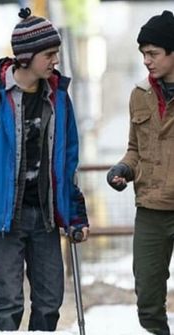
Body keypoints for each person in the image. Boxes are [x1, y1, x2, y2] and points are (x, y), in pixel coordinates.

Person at [0, 7, 89, 332]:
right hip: (3, 220)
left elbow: (68, 162)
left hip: (45, 217)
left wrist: (76, 215)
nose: (56, 60)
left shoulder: (59, 99)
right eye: (49, 54)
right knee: (9, 301)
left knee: (50, 301)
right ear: (26, 56)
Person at [107, 10, 174, 335]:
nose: (147, 61)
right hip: (150, 209)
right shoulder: (140, 95)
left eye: (153, 53)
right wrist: (124, 169)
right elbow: (135, 148)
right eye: (143, 54)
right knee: (148, 295)